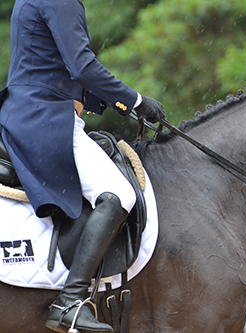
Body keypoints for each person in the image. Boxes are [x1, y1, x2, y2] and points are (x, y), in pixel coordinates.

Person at [0, 0, 165, 332]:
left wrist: (104, 99)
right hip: (44, 118)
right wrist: (135, 101)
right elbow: (81, 66)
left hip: (30, 111)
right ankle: (70, 302)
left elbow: (50, 65)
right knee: (118, 194)